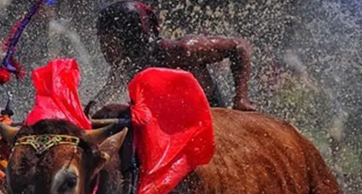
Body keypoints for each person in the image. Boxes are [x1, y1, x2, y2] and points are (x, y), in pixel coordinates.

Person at [90, 1, 256, 111]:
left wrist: (241, 98)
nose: (104, 50)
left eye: (108, 43)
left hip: (213, 117)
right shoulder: (127, 66)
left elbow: (239, 46)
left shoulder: (181, 51)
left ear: (130, 39)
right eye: (101, 43)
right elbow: (103, 97)